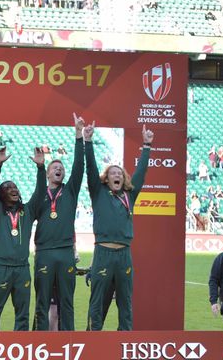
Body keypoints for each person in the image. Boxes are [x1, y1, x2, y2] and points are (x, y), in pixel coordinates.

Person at [86, 123, 154, 331]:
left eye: (120, 174)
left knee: (125, 301)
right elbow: (91, 168)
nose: (117, 175)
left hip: (124, 254)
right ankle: (92, 338)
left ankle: (124, 340)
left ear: (123, 179)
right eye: (113, 173)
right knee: (97, 301)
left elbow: (140, 173)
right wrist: (87, 141)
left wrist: (147, 145)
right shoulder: (98, 192)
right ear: (106, 179)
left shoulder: (129, 195)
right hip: (103, 253)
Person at [32, 114, 85, 331]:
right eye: (54, 167)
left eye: (61, 167)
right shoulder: (39, 194)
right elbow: (31, 210)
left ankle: (68, 342)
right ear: (47, 173)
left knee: (67, 302)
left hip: (64, 252)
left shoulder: (70, 191)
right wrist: (39, 168)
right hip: (44, 251)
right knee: (42, 302)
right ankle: (40, 343)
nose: (59, 169)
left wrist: (78, 136)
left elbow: (79, 166)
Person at [0, 147, 43, 330]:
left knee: (22, 315)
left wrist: (41, 168)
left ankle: (20, 349)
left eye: (15, 187)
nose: (13, 189)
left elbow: (40, 193)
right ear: (1, 195)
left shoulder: (28, 210)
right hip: (1, 268)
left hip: (22, 269)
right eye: (8, 188)